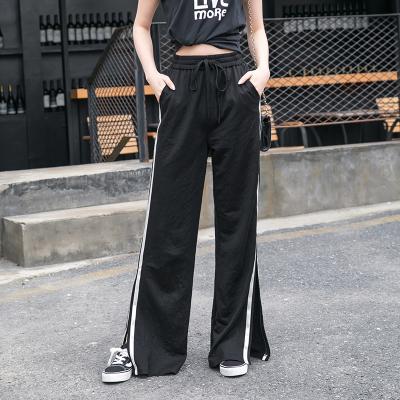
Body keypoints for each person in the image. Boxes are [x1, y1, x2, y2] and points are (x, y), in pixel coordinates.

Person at [102, 0, 271, 382]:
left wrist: (262, 71)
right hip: (182, 86)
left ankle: (232, 344)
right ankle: (147, 347)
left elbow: (256, 28)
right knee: (167, 222)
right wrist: (153, 77)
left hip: (235, 85)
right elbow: (141, 26)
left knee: (237, 221)